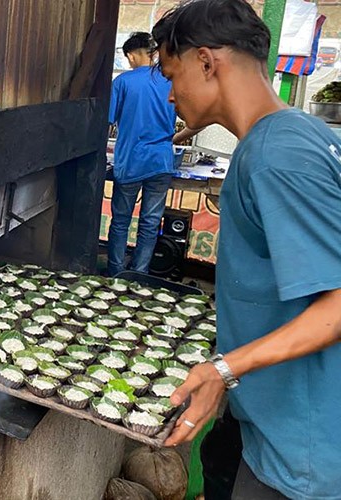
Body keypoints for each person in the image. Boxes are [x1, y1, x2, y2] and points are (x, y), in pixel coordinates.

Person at [152, 1, 341, 499]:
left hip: (301, 453)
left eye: (173, 76)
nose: (171, 95)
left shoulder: (278, 156)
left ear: (207, 63)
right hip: (272, 422)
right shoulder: (289, 134)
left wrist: (223, 369)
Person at [107, 32, 177, 277]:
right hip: (162, 162)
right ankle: (140, 274)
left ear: (130, 55)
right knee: (150, 222)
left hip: (131, 162)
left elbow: (107, 121)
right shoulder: (169, 80)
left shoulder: (123, 82)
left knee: (120, 221)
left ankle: (116, 273)